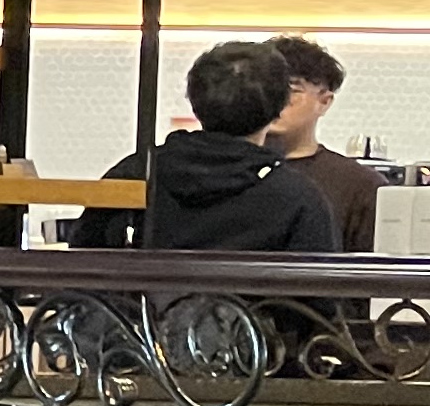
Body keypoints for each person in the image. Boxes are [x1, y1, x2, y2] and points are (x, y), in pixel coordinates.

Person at [98, 41, 340, 252]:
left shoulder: (137, 173)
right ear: (278, 108)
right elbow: (319, 288)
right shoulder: (299, 198)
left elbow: (86, 259)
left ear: (194, 101)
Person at [267, 34, 380, 252]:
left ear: (324, 101)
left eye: (292, 91)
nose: (276, 99)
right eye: (267, 88)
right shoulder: (231, 172)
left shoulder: (360, 185)